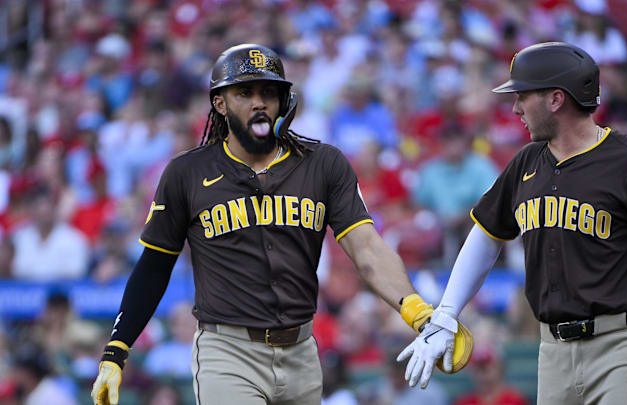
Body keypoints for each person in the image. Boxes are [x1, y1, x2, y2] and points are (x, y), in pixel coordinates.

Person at [90, 43, 429, 405]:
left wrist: (418, 311)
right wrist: (117, 350)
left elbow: (365, 247)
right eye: (244, 92)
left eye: (269, 91)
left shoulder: (324, 164)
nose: (259, 102)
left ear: (285, 101)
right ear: (219, 103)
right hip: (228, 352)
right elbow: (154, 266)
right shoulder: (187, 173)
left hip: (301, 352)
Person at [397, 42, 627, 405]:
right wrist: (445, 313)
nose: (516, 107)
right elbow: (486, 236)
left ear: (555, 99)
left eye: (523, 96)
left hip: (622, 346)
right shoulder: (526, 162)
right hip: (552, 351)